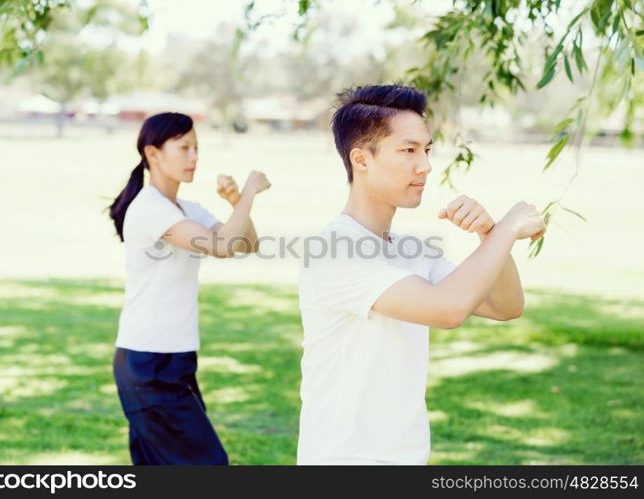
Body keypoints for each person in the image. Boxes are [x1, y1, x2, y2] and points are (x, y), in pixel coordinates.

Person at [296, 84, 546, 465]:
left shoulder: (411, 250)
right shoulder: (335, 248)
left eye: (426, 150)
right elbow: (446, 310)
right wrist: (508, 232)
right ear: (361, 160)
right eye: (408, 150)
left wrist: (491, 235)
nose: (426, 165)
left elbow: (505, 306)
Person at [107, 112, 270, 465]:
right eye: (183, 148)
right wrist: (250, 194)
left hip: (175, 358)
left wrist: (236, 201)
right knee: (208, 464)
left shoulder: (187, 209)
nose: (194, 157)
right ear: (153, 154)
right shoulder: (151, 208)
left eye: (196, 148)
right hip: (148, 362)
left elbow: (246, 244)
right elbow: (221, 246)